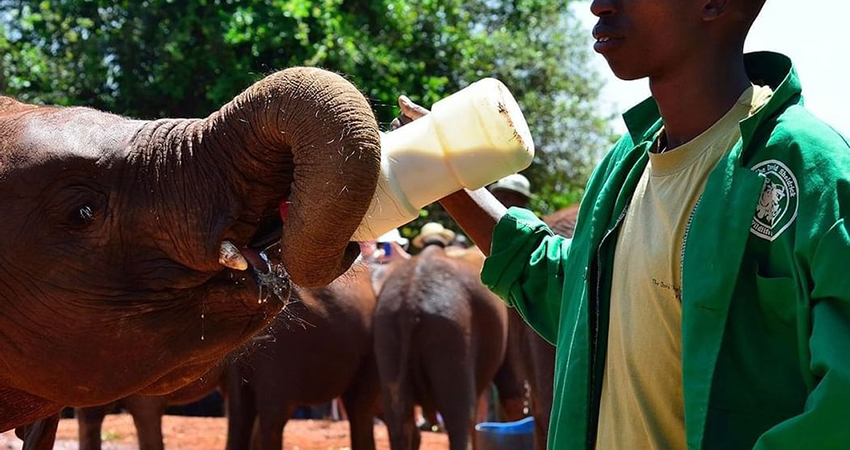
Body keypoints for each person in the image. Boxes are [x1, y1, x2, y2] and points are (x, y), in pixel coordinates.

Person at [392, 0, 850, 448]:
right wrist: (441, 173)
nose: (598, 6)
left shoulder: (809, 170)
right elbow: (577, 303)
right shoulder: (623, 164)